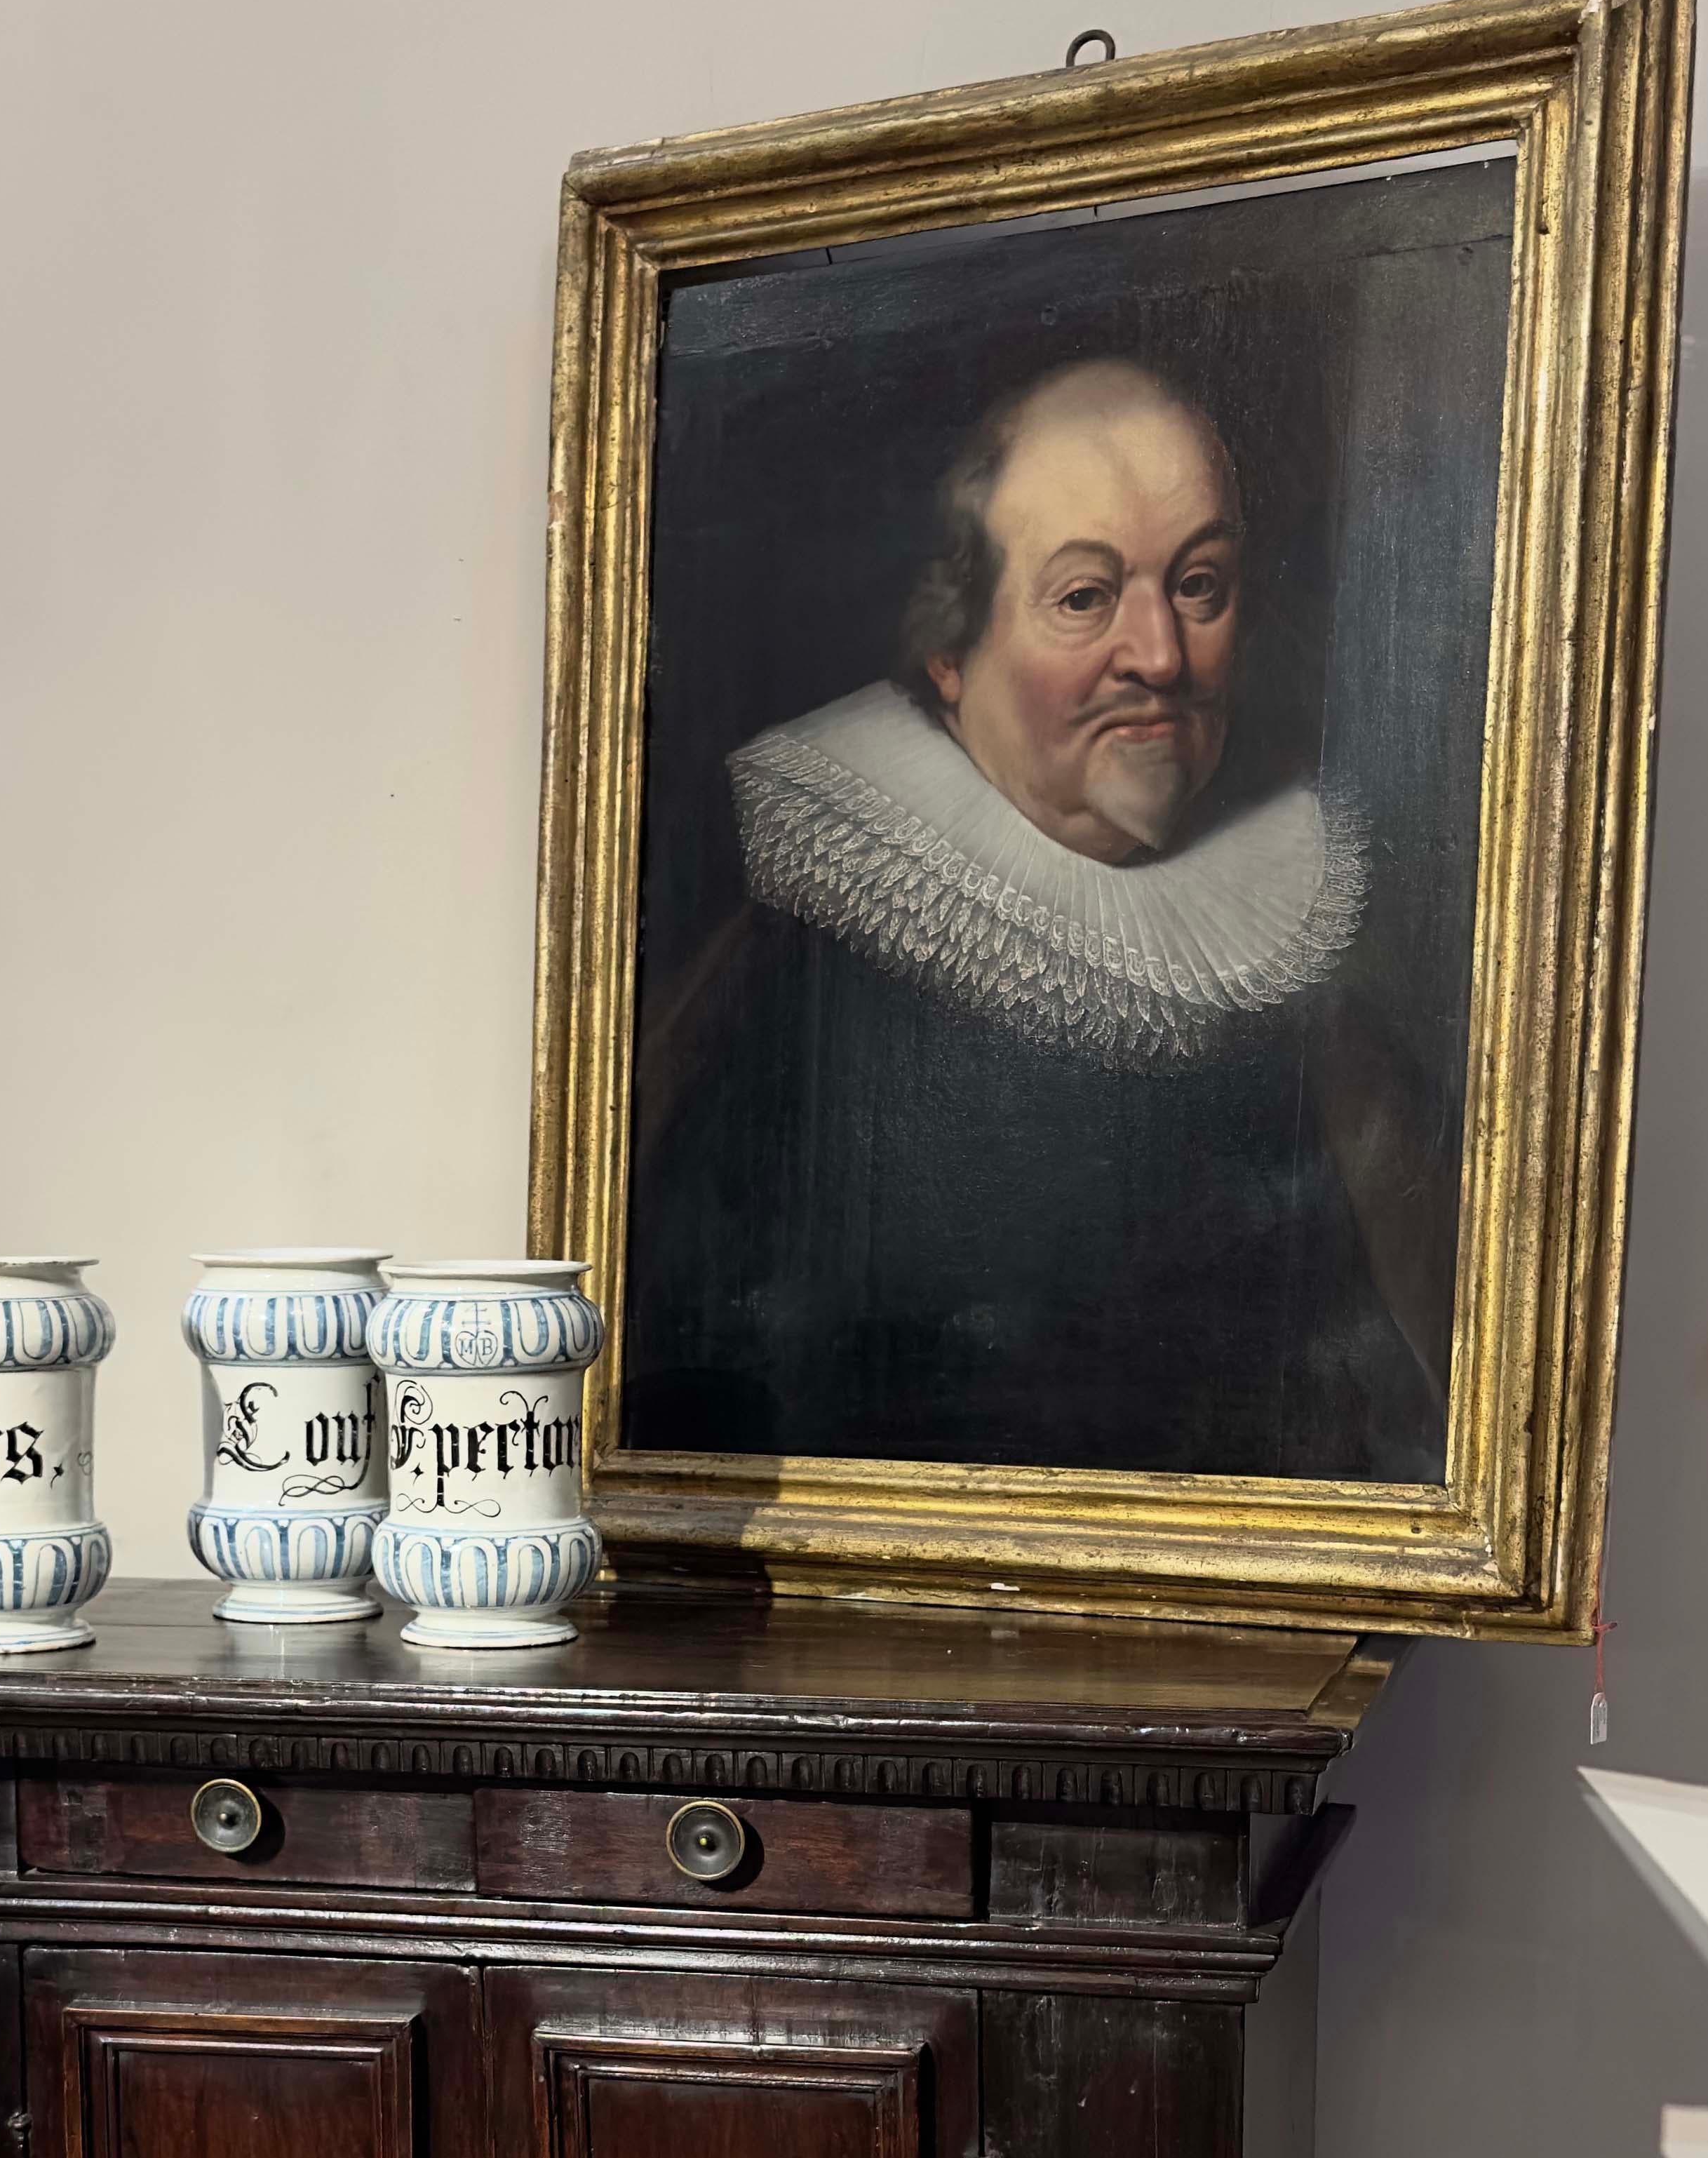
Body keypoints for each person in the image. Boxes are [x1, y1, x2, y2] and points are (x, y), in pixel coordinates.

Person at [620, 354, 1455, 1482]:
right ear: (949, 650)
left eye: (1198, 585)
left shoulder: (1314, 962)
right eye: (1084, 598)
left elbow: (1409, 1407)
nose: (1159, 656)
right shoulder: (790, 957)